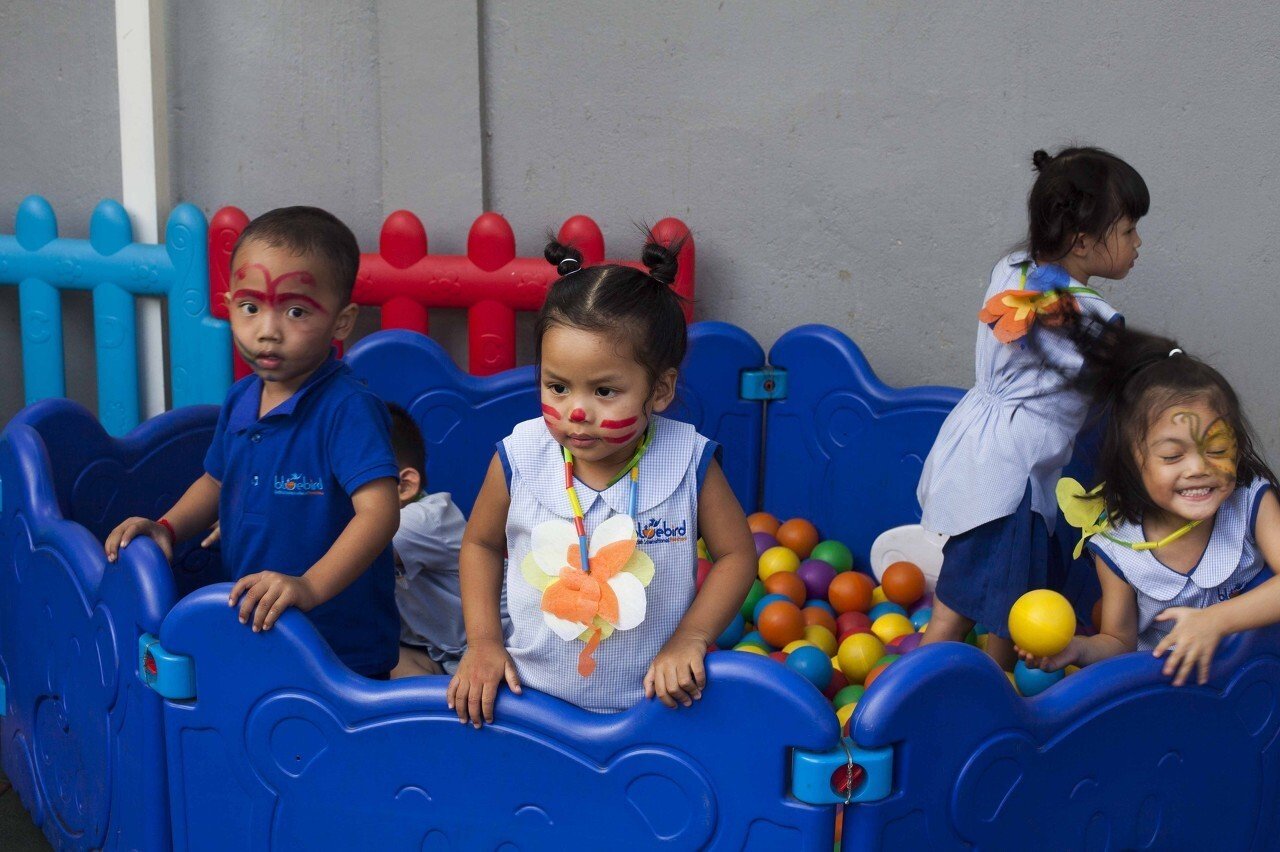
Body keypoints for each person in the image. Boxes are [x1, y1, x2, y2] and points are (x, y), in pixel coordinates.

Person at [447, 234, 756, 725]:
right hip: (529, 705)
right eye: (557, 386)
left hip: (654, 711)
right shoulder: (522, 457)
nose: (576, 410)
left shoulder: (687, 462)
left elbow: (738, 554)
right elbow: (480, 545)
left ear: (659, 390)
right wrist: (484, 643)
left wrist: (691, 637)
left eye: (605, 390)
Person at [104, 206, 401, 679]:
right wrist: (167, 528)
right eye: (250, 307)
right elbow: (215, 480)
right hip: (253, 625)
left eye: (296, 310)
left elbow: (380, 512)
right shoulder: (242, 398)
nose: (267, 330)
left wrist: (309, 586)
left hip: (339, 645)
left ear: (342, 322)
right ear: (228, 304)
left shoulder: (346, 408)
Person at [917, 147, 1149, 669]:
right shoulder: (1093, 317)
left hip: (977, 449)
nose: (1139, 244)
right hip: (1012, 477)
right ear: (1084, 240)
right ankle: (895, 716)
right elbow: (1105, 381)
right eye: (1130, 231)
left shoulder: (1011, 268)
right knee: (958, 612)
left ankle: (995, 691)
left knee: (1004, 598)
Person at [1020, 327, 1280, 686]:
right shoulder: (1119, 548)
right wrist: (1078, 650)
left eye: (1218, 449)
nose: (1199, 468)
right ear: (1132, 461)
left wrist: (1216, 620)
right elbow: (1118, 642)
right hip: (1168, 696)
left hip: (1255, 683)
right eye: (1173, 455)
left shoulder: (1251, 501)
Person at [385, 403, 469, 677]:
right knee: (381, 660)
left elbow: (342, 558)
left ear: (404, 486)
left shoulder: (424, 519)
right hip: (437, 651)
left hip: (495, 649)